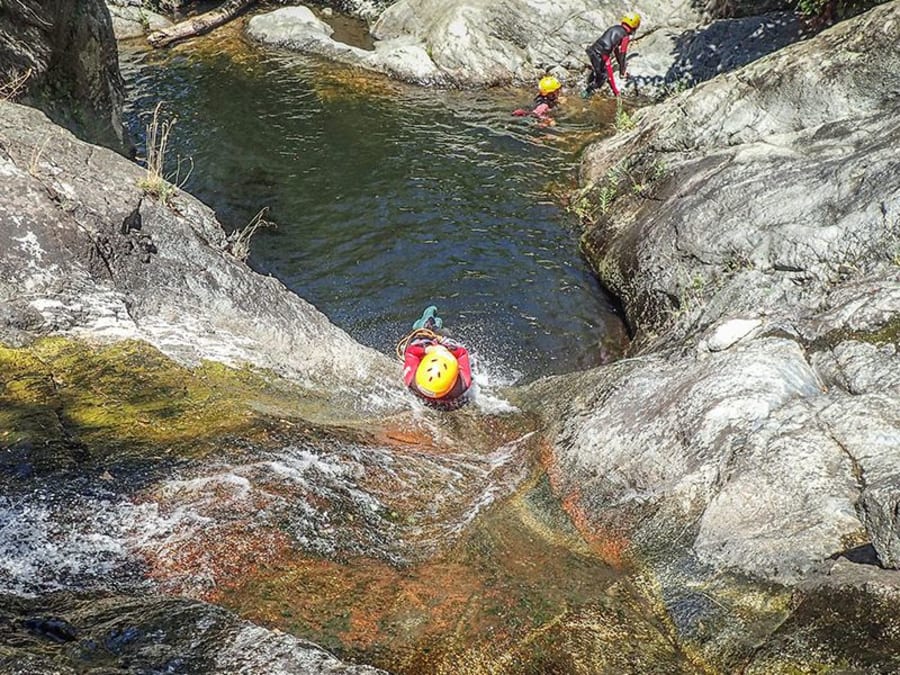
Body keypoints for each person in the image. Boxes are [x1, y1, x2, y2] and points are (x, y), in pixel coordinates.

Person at [397, 306, 473, 409]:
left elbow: (411, 351)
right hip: (438, 353)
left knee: (421, 339)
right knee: (446, 335)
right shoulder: (463, 384)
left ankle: (428, 326)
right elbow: (462, 353)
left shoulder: (411, 380)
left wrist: (425, 349)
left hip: (434, 351)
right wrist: (436, 349)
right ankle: (431, 326)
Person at [582, 12, 641, 98]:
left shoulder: (615, 28)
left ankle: (589, 82)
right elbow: (622, 54)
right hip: (602, 55)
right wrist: (616, 90)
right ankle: (586, 93)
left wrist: (619, 63)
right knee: (603, 77)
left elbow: (616, 50)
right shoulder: (625, 36)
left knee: (598, 71)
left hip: (592, 50)